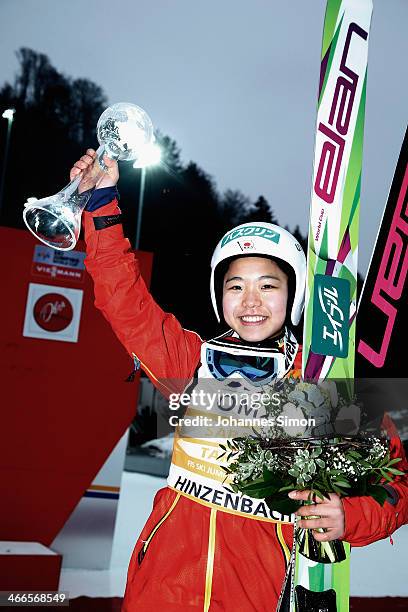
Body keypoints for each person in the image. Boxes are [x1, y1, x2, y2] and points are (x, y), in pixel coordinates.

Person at [71, 150, 408, 611]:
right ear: (219, 295)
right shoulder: (193, 362)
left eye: (268, 285)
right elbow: (123, 299)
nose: (251, 300)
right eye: (235, 286)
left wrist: (349, 515)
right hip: (162, 592)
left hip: (257, 594)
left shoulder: (321, 388)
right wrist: (101, 204)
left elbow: (397, 486)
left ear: (293, 295)